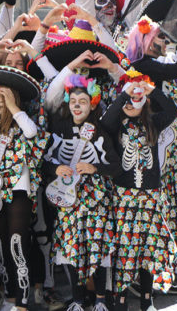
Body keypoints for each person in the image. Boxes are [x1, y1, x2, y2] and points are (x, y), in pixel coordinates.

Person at [43, 52, 122, 311]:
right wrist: (56, 168)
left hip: (95, 199)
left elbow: (116, 165)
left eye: (83, 101)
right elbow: (44, 162)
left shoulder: (100, 130)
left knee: (98, 247)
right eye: (74, 100)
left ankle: (100, 299)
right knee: (70, 249)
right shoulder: (58, 127)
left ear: (92, 104)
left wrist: (94, 167)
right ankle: (76, 299)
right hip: (67, 200)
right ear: (68, 101)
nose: (77, 106)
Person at [100, 71, 177, 311]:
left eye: (135, 99)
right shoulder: (115, 125)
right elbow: (105, 121)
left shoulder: (153, 122)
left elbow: (173, 111)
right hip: (124, 195)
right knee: (125, 248)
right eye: (126, 100)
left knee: (148, 248)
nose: (130, 103)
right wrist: (125, 92)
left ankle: (147, 299)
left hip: (150, 195)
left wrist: (149, 89)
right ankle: (120, 299)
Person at [0, 66, 47, 311]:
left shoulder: (22, 122)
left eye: (1, 98)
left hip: (17, 191)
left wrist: (13, 107)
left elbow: (32, 132)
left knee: (17, 242)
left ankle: (24, 302)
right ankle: (10, 297)